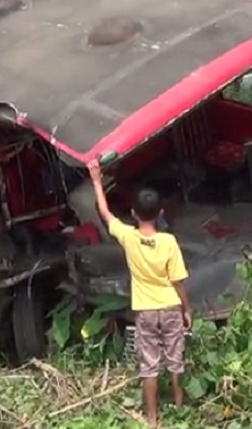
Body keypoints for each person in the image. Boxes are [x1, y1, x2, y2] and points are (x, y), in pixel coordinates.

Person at [87, 160, 191, 428]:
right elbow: (178, 281)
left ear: (133, 213)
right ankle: (180, 408)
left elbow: (105, 212)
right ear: (161, 213)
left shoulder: (129, 237)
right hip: (170, 306)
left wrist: (96, 180)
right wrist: (186, 309)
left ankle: (153, 419)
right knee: (176, 360)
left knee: (150, 366)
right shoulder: (169, 242)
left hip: (146, 311)